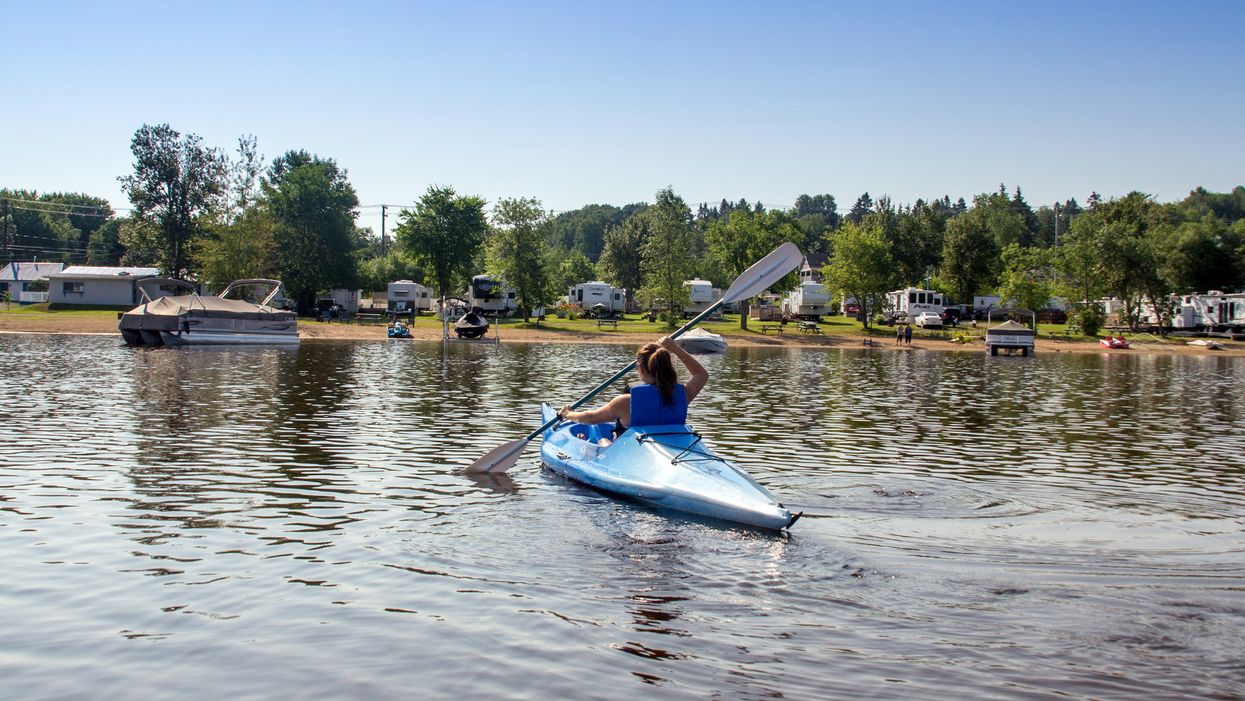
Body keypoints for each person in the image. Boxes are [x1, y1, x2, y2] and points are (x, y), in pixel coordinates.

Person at [559, 335, 708, 445]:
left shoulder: (626, 402)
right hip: (669, 449)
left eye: (637, 366)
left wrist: (568, 413)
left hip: (631, 457)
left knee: (603, 440)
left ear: (641, 368)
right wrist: (675, 348)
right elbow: (701, 374)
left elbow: (590, 418)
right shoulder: (683, 395)